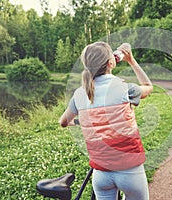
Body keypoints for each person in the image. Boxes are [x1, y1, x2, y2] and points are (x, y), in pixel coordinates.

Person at [59, 42, 153, 200]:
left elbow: (63, 122)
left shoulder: (80, 94)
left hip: (101, 174)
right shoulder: (125, 88)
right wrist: (131, 60)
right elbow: (148, 86)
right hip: (130, 172)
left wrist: (85, 121)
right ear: (111, 62)